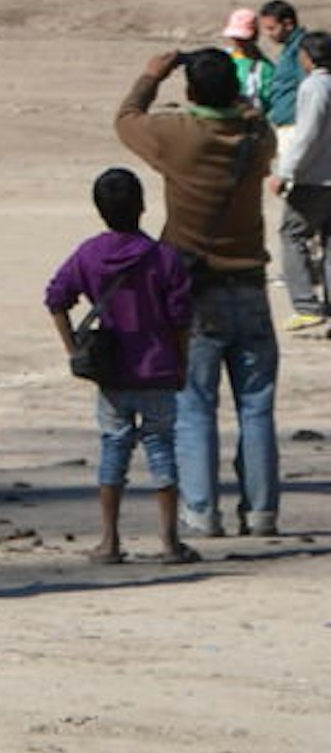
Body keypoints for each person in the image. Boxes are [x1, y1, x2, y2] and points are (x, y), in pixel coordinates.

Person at [118, 45, 282, 538]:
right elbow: (263, 125)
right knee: (256, 406)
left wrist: (151, 75)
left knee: (195, 403)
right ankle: (261, 511)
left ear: (190, 91)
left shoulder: (176, 136)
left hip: (197, 284)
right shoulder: (255, 136)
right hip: (249, 281)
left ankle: (201, 510)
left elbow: (127, 118)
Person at [47, 166, 199, 566]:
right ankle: (169, 540)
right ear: (143, 206)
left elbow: (56, 298)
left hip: (112, 372)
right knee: (160, 448)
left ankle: (110, 540)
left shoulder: (90, 254)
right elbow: (181, 318)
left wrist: (74, 350)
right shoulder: (164, 258)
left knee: (113, 449)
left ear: (99, 210)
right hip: (158, 368)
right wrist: (181, 362)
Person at [281, 33, 331, 334]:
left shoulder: (314, 86)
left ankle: (306, 305)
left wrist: (285, 171)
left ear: (309, 57)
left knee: (292, 234)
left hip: (314, 179)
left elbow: (306, 135)